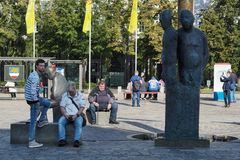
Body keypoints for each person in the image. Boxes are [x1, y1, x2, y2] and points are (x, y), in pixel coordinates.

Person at [177, 10, 209, 87]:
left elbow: (206, 53)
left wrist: (201, 68)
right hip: (184, 70)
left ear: (193, 19)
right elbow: (172, 53)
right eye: (183, 18)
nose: (185, 20)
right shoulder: (178, 34)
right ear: (180, 20)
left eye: (187, 18)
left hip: (197, 70)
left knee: (194, 94)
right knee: (185, 93)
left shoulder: (200, 35)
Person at [25, 59, 51, 148]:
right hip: (33, 100)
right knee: (33, 122)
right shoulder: (35, 76)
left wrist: (39, 89)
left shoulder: (36, 75)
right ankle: (31, 141)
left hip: (34, 98)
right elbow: (32, 91)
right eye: (40, 66)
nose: (42, 67)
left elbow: (35, 89)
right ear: (36, 66)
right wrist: (36, 102)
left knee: (47, 103)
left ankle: (42, 120)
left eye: (43, 66)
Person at [58, 81, 86, 147]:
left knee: (78, 123)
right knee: (60, 122)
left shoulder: (80, 95)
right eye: (69, 91)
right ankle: (62, 139)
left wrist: (76, 115)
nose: (70, 93)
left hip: (77, 115)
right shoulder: (65, 95)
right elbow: (62, 107)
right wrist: (65, 115)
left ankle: (77, 140)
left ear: (74, 88)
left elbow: (82, 107)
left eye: (71, 92)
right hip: (67, 115)